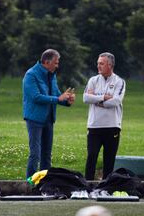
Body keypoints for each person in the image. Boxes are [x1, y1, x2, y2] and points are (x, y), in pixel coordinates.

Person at [23, 49, 75, 178]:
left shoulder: (52, 75)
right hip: (35, 119)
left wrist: (67, 100)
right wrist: (58, 99)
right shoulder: (31, 75)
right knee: (35, 153)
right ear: (47, 62)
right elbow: (36, 97)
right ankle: (31, 183)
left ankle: (45, 183)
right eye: (56, 63)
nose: (57, 66)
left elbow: (56, 94)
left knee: (46, 154)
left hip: (49, 119)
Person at [83, 52, 126, 180]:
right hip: (94, 126)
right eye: (98, 63)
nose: (98, 66)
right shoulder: (93, 80)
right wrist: (103, 97)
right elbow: (85, 98)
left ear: (110, 65)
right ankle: (88, 185)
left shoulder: (119, 81)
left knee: (109, 159)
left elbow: (115, 101)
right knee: (91, 156)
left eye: (101, 63)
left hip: (112, 126)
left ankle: (106, 187)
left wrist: (95, 99)